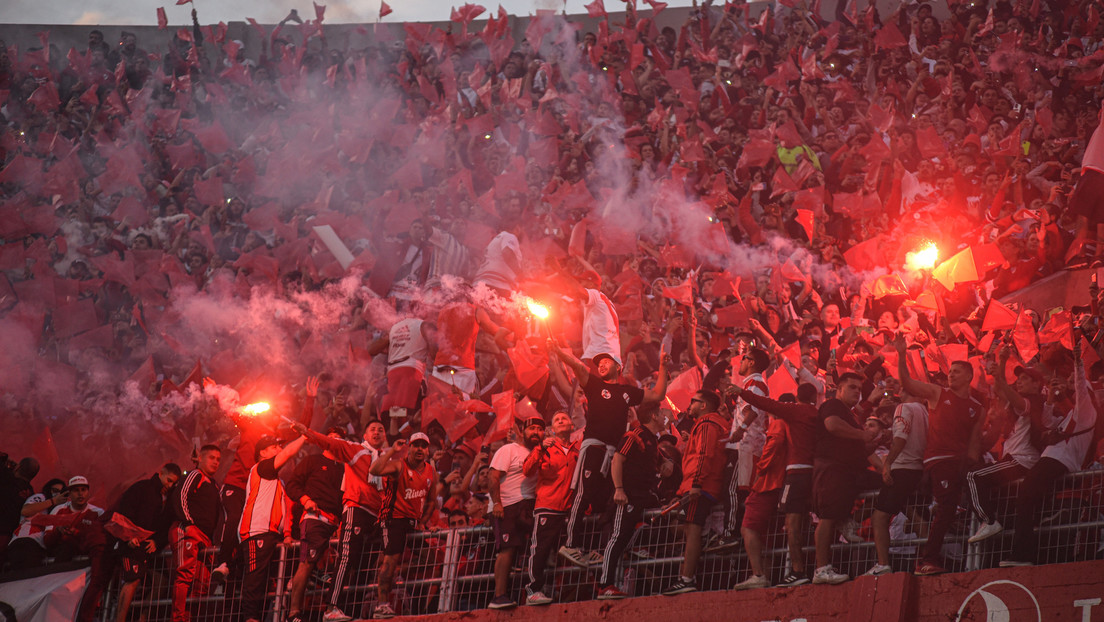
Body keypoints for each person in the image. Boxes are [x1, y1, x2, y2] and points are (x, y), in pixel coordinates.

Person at [548, 339, 668, 568]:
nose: (601, 365)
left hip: (612, 454)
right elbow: (579, 368)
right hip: (594, 447)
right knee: (583, 495)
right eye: (599, 362)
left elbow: (658, 395)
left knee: (607, 503)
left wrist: (662, 365)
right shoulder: (593, 385)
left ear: (618, 366)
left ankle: (599, 549)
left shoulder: (626, 392)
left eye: (606, 361)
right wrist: (559, 351)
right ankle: (570, 543)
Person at [1001, 329, 1098, 567]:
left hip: (1057, 461)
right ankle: (1027, 549)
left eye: (1075, 390)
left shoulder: (1087, 413)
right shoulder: (1071, 416)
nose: (1072, 391)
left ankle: (1023, 555)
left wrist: (1077, 364)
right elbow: (1045, 424)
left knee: (1024, 496)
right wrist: (1053, 399)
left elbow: (1081, 387)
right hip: (1053, 460)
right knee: (1027, 498)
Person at [895, 335, 986, 575]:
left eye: (957, 371)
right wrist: (902, 354)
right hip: (939, 460)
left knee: (955, 506)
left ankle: (972, 552)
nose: (951, 374)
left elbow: (975, 444)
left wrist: (971, 468)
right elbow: (907, 383)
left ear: (969, 376)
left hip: (960, 464)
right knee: (946, 508)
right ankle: (927, 560)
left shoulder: (977, 408)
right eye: (951, 371)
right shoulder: (937, 393)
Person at [213, 378, 317, 582]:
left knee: (247, 527)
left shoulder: (277, 438)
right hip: (236, 483)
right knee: (234, 518)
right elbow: (232, 409)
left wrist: (310, 399)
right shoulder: (250, 424)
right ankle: (223, 562)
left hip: (256, 492)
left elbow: (302, 428)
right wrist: (215, 390)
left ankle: (236, 568)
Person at [291, 420, 388, 622]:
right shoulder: (354, 451)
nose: (377, 432)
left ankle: (350, 611)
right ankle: (310, 611)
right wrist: (306, 431)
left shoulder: (384, 459)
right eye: (372, 429)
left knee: (361, 565)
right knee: (327, 560)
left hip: (361, 517)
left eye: (381, 429)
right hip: (336, 513)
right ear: (364, 434)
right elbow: (293, 484)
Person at [729, 384, 818, 589]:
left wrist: (760, 470)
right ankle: (774, 573)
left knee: (751, 526)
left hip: (774, 482)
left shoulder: (782, 421)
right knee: (775, 531)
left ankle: (770, 574)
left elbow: (773, 445)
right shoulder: (809, 417)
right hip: (790, 478)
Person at [77, 463, 181, 622]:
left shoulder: (170, 497)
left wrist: (156, 542)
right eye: (168, 480)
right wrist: (128, 537)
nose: (170, 485)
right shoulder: (141, 488)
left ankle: (143, 618)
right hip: (131, 543)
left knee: (162, 579)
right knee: (132, 579)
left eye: (174, 482)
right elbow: (124, 513)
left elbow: (166, 525)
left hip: (148, 545)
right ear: (160, 473)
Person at [966, 348, 1047, 543]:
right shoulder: (1016, 401)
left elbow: (1009, 394)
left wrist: (998, 374)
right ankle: (993, 525)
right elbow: (1002, 391)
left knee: (974, 476)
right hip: (1012, 460)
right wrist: (1001, 361)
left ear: (1037, 384)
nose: (1020, 381)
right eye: (1019, 378)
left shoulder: (1034, 402)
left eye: (1026, 379)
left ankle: (989, 521)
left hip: (1022, 460)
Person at [811, 373, 879, 585]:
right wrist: (862, 436)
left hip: (850, 472)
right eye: (852, 387)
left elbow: (862, 450)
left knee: (889, 486)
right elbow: (831, 425)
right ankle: (821, 569)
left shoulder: (852, 417)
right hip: (832, 469)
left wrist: (878, 443)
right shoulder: (833, 405)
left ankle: (851, 521)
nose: (857, 392)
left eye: (859, 389)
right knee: (828, 517)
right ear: (839, 389)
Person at [596, 402, 668, 599]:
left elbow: (662, 461)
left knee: (660, 517)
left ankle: (637, 546)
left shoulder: (652, 440)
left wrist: (667, 464)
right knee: (618, 537)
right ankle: (605, 584)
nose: (665, 417)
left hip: (643, 497)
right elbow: (617, 460)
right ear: (654, 416)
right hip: (627, 497)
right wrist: (619, 490)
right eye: (662, 413)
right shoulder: (633, 435)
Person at [662, 390, 730, 595]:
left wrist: (696, 485)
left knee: (692, 530)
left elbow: (704, 455)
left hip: (701, 486)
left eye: (694, 401)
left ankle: (686, 579)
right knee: (686, 528)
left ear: (704, 405)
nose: (689, 404)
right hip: (696, 485)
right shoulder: (706, 425)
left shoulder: (708, 424)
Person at [368, 432, 438, 619]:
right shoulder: (400, 464)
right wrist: (392, 450)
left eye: (423, 446)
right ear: (409, 448)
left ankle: (398, 573)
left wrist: (423, 523)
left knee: (429, 557)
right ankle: (382, 605)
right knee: (389, 561)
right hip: (393, 519)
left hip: (413, 523)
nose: (419, 449)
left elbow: (431, 501)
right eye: (416, 445)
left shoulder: (431, 471)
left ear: (428, 450)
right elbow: (374, 470)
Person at [238, 434, 306, 622]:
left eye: (279, 446)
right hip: (256, 530)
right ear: (263, 452)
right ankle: (251, 619)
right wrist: (304, 435)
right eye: (274, 446)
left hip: (271, 534)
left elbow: (285, 511)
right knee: (255, 579)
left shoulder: (277, 481)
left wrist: (287, 535)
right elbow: (288, 453)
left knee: (269, 581)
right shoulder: (261, 468)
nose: (279, 450)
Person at [284, 427, 347, 622]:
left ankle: (330, 609)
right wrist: (305, 500)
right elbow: (292, 484)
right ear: (322, 441)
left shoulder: (346, 468)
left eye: (338, 439)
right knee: (307, 562)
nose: (334, 441)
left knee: (336, 565)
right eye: (331, 437)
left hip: (336, 523)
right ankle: (294, 614)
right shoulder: (312, 461)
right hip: (315, 518)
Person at [866, 391, 927, 576]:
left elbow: (901, 437)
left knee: (879, 517)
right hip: (918, 468)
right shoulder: (925, 411)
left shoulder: (904, 408)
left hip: (902, 468)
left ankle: (883, 564)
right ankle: (926, 560)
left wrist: (888, 463)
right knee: (914, 514)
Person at [486, 416, 543, 609]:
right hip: (507, 505)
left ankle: (527, 592)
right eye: (531, 428)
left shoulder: (540, 453)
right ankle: (499, 596)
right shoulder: (508, 449)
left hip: (526, 508)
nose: (536, 432)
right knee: (507, 549)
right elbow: (493, 476)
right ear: (522, 431)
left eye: (539, 429)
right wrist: (497, 504)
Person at [522, 411, 577, 606]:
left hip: (570, 510)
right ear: (551, 430)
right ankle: (533, 590)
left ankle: (566, 593)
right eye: (557, 420)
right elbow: (527, 470)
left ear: (572, 426)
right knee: (541, 550)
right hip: (547, 506)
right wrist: (539, 448)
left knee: (567, 555)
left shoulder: (577, 448)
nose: (561, 420)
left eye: (564, 418)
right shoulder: (545, 448)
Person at [720, 347, 771, 549]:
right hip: (745, 445)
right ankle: (736, 533)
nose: (740, 362)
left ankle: (730, 533)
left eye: (743, 358)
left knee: (732, 490)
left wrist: (740, 429)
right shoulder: (750, 384)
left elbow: (753, 411)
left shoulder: (755, 383)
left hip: (746, 446)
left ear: (751, 362)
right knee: (736, 490)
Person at [170, 445, 222, 622]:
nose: (216, 462)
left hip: (205, 538)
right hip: (188, 530)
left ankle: (190, 618)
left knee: (202, 582)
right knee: (185, 574)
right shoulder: (194, 475)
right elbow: (180, 497)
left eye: (218, 459)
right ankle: (177, 619)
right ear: (200, 458)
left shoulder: (215, 485)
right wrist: (188, 524)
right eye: (212, 458)